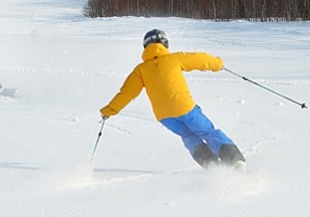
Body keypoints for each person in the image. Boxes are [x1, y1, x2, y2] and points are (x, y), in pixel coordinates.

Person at [99, 29, 245, 169]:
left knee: (188, 136)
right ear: (164, 44)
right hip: (184, 108)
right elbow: (200, 59)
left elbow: (126, 93)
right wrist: (217, 64)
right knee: (207, 132)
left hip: (164, 116)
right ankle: (234, 161)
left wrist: (109, 110)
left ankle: (212, 166)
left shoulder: (140, 70)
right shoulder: (174, 58)